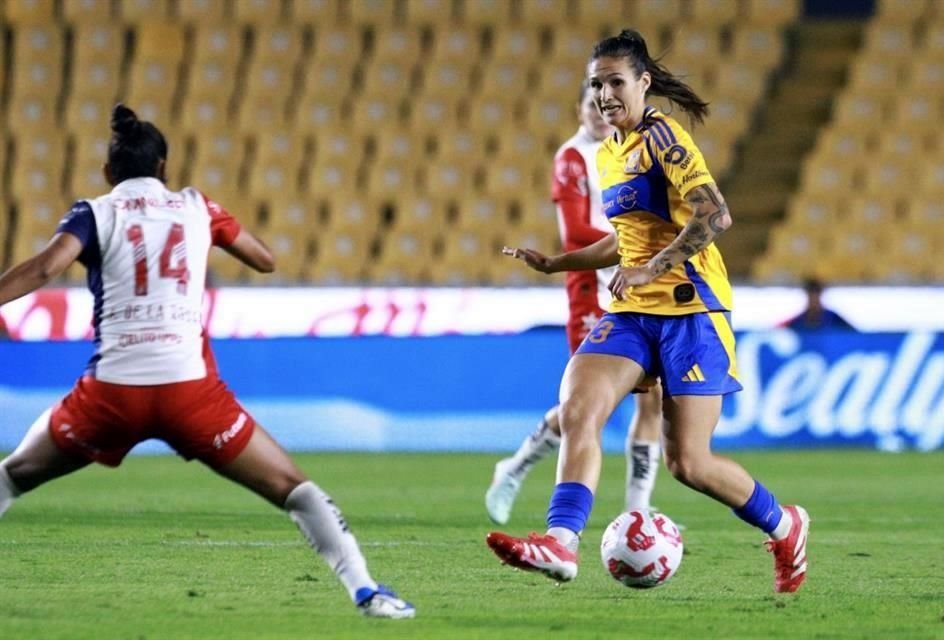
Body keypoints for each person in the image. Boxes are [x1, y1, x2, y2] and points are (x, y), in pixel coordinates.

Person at [0, 105, 415, 619]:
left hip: (111, 396)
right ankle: (367, 592)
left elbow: (45, 267)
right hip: (190, 394)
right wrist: (211, 229)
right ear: (164, 168)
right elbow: (264, 259)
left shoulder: (93, 212)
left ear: (109, 173)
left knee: (13, 474)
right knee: (293, 488)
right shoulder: (198, 207)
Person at [487, 30, 809, 594]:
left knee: (689, 463)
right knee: (579, 406)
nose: (605, 94)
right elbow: (624, 239)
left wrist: (652, 268)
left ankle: (786, 525)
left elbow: (714, 217)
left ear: (643, 82)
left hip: (692, 312)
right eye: (596, 84)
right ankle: (561, 543)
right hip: (633, 312)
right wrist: (557, 263)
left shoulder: (665, 138)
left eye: (615, 81)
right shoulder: (610, 151)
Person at [485, 84, 665, 526]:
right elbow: (573, 234)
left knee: (653, 399)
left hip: (634, 287)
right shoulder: (573, 157)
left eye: (606, 105)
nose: (601, 114)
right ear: (580, 111)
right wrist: (637, 243)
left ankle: (638, 510)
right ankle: (516, 466)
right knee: (584, 408)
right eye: (591, 105)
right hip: (592, 289)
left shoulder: (633, 149)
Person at [783, 277, 854, 330]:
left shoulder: (834, 318)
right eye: (811, 295)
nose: (814, 300)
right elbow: (778, 330)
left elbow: (853, 334)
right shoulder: (797, 320)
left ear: (820, 295)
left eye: (816, 295)